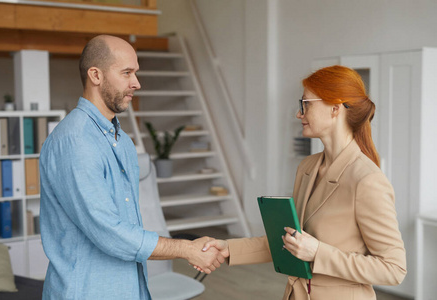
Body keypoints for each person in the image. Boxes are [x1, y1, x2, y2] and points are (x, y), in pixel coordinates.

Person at [39, 35, 224, 300]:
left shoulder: (122, 141)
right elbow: (108, 231)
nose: (136, 83)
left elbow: (127, 224)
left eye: (135, 73)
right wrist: (186, 249)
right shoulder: (75, 141)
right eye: (126, 73)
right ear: (96, 75)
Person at [202, 65, 407, 299]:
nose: (299, 114)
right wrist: (228, 248)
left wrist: (318, 252)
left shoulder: (367, 180)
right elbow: (291, 240)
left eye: (306, 104)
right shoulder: (307, 167)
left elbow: (394, 269)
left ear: (335, 108)